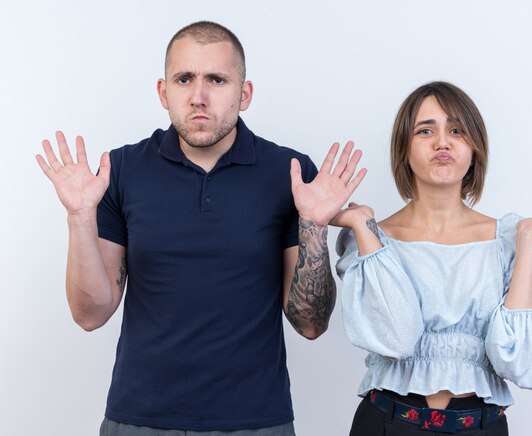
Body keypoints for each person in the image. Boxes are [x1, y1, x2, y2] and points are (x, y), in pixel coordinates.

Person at [36, 21, 366, 435]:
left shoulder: (290, 173)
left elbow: (310, 324)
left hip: (255, 421)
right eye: (184, 79)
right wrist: (79, 217)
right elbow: (90, 314)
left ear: (244, 94)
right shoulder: (120, 170)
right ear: (163, 91)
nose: (199, 97)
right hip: (139, 418)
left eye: (217, 79)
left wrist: (314, 225)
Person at [333, 81, 532, 435]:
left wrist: (530, 240)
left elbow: (520, 362)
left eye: (456, 130)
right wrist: (362, 226)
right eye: (425, 130)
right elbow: (396, 338)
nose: (442, 142)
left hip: (480, 427)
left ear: (474, 147)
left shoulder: (506, 239)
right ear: (404, 148)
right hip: (388, 423)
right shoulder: (374, 239)